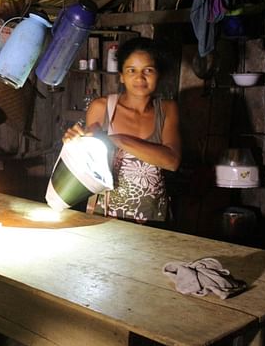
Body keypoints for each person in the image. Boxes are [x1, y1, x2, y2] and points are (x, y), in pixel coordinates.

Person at [63, 37, 181, 225]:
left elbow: (171, 161)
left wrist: (117, 139)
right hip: (106, 215)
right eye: (131, 70)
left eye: (148, 70)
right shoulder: (102, 107)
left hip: (153, 218)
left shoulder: (167, 109)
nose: (140, 78)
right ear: (121, 76)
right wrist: (76, 142)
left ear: (158, 74)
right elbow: (87, 148)